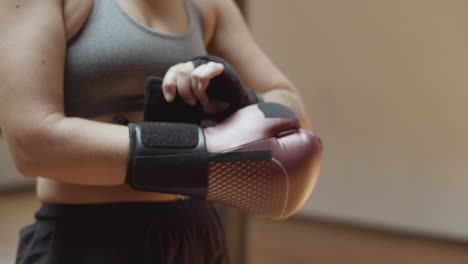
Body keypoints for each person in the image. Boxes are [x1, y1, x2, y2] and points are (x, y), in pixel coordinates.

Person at [0, 0, 315, 263]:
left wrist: (243, 101)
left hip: (196, 234)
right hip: (86, 239)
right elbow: (32, 143)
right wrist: (200, 150)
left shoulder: (206, 4)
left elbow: (293, 116)